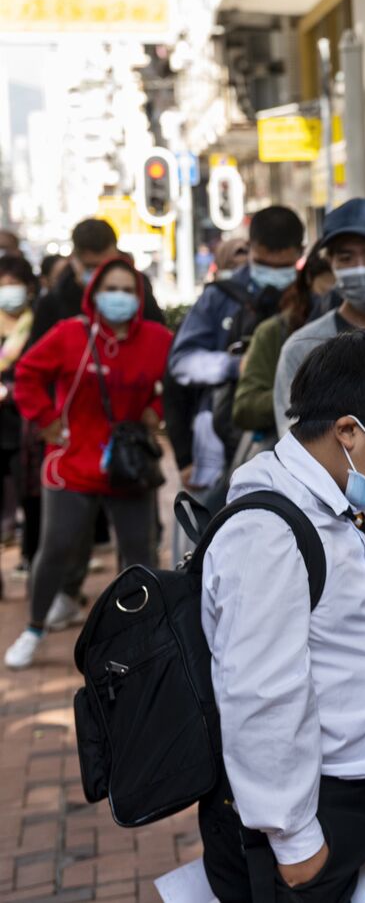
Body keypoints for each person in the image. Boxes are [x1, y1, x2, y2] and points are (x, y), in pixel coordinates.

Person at [197, 329, 365, 902]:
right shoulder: (271, 531)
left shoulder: (332, 504)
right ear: (347, 431)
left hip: (360, 789)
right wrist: (296, 842)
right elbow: (260, 693)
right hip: (316, 815)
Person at [5, 259, 172, 670]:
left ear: (139, 296)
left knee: (139, 554)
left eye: (127, 289)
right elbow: (26, 374)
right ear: (95, 291)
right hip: (71, 463)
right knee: (57, 547)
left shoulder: (158, 338)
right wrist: (46, 423)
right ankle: (35, 627)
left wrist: (155, 410)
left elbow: (175, 385)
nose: (118, 297)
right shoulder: (70, 334)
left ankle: (141, 635)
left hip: (129, 465)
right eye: (109, 288)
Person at [167, 207, 305, 494]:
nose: (275, 275)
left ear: (300, 252)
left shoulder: (310, 298)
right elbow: (181, 362)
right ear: (251, 248)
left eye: (283, 267)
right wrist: (234, 366)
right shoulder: (219, 297)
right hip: (223, 432)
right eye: (266, 262)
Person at [273, 199, 365, 435]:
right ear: (329, 262)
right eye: (346, 258)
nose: (361, 268)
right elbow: (294, 444)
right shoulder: (303, 349)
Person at [232, 253, 334, 437]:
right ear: (310, 280)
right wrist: (302, 395)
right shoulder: (278, 334)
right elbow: (245, 407)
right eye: (329, 294)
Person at [26, 218, 163, 351]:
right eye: (91, 267)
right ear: (74, 260)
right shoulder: (53, 303)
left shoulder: (139, 290)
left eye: (107, 265)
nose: (101, 274)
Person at [0, 257, 33, 601]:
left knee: (29, 497)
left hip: (24, 425)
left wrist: (10, 390)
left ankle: (29, 560)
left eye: (14, 282)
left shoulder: (35, 325)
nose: (8, 291)